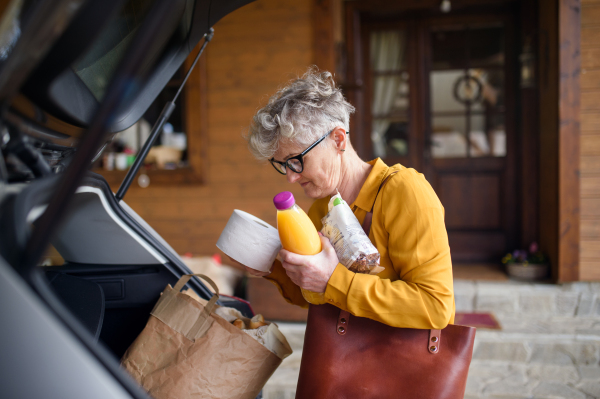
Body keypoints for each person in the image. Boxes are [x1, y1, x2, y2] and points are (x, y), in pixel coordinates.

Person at [242, 67, 454, 329]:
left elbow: (435, 306)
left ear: (339, 139)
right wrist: (269, 268)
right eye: (282, 165)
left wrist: (334, 279)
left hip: (400, 365)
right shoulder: (320, 209)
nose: (290, 177)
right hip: (347, 365)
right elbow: (314, 296)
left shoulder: (405, 192)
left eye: (296, 161)